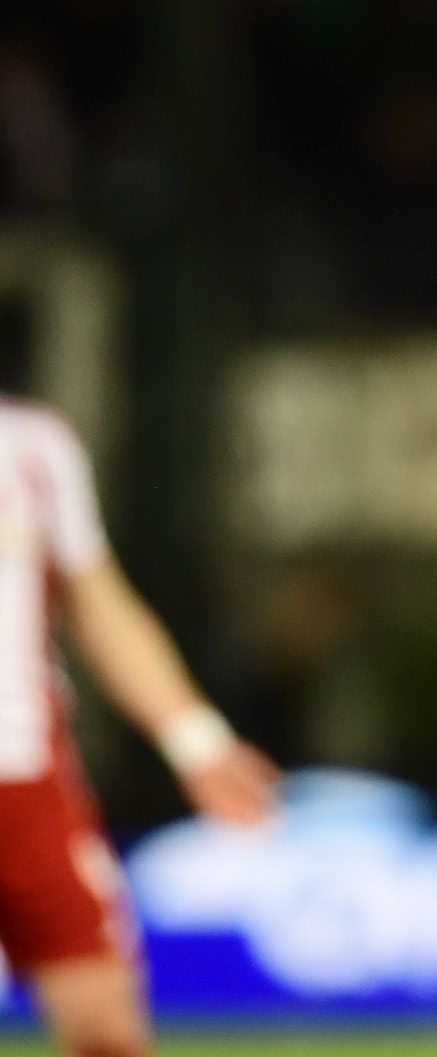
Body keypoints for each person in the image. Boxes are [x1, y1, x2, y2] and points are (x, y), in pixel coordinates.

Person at [0, 396, 279, 1057]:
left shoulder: (32, 444)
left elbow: (97, 600)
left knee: (107, 1030)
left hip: (25, 777)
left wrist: (196, 740)